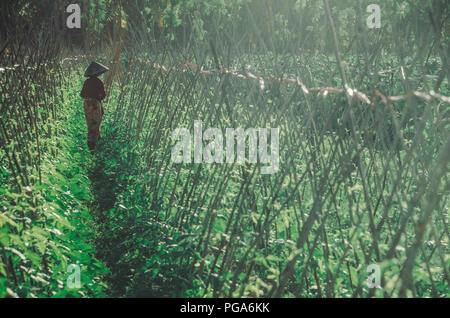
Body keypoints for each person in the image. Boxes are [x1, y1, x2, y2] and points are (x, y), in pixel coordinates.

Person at [80, 61, 109, 151]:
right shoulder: (99, 82)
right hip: (95, 104)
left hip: (87, 104)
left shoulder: (86, 82)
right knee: (96, 123)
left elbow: (82, 95)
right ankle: (93, 145)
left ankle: (92, 144)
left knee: (90, 123)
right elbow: (103, 95)